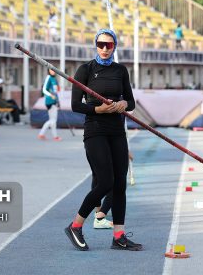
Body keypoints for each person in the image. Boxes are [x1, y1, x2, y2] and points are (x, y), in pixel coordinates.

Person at [65, 29, 142, 251]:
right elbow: (76, 105)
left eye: (109, 45)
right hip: (95, 130)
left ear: (115, 46)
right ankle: (75, 226)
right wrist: (98, 108)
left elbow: (131, 100)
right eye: (101, 44)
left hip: (117, 131)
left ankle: (118, 236)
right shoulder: (85, 70)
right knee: (105, 181)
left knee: (119, 184)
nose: (105, 49)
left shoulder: (120, 70)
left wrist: (123, 105)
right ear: (95, 45)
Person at [38, 69, 61, 141]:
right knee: (53, 120)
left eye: (54, 70)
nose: (53, 71)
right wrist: (51, 95)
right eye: (51, 70)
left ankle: (42, 134)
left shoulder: (55, 79)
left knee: (52, 120)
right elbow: (44, 90)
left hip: (54, 102)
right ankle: (54, 136)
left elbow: (56, 91)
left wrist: (58, 101)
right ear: (48, 71)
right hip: (49, 101)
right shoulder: (48, 78)